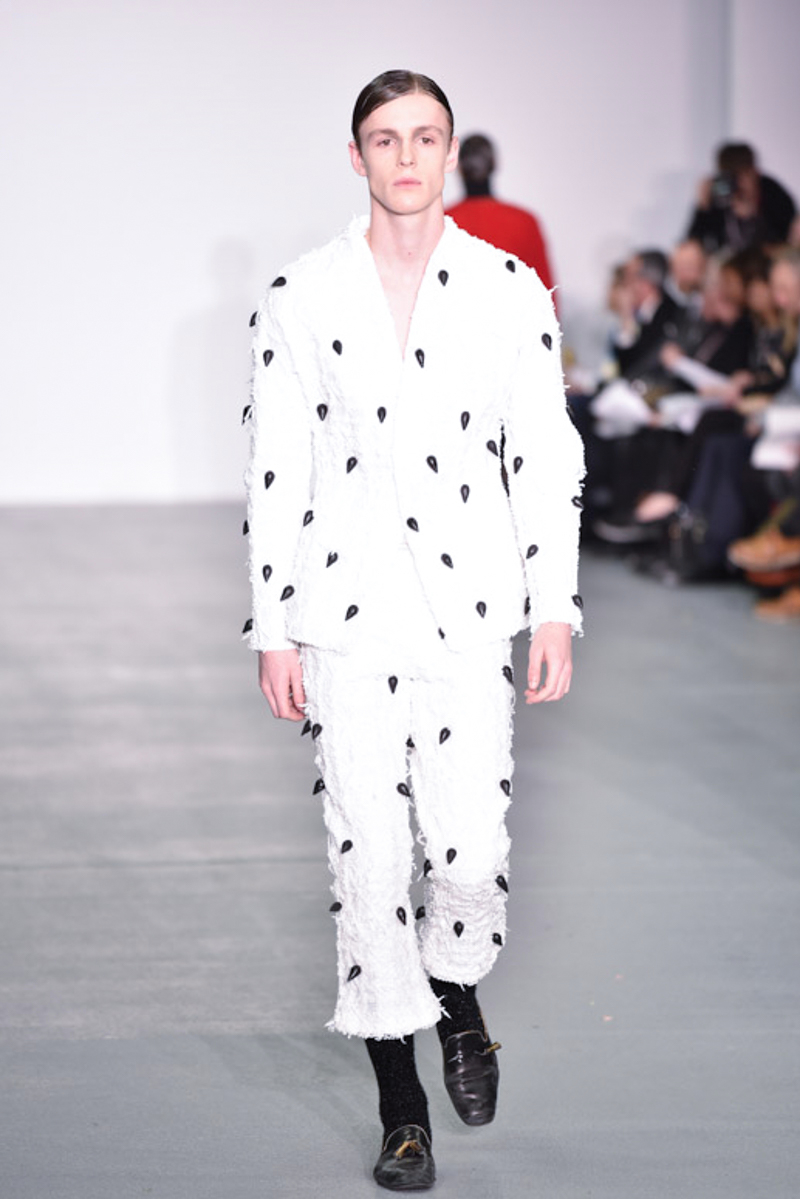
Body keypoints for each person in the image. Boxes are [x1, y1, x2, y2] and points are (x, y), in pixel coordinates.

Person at [243, 69, 584, 1191]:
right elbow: (276, 465)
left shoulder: (506, 288)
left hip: (467, 608)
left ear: (449, 151)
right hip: (341, 610)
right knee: (370, 858)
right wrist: (272, 626)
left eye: (424, 137)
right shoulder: (302, 293)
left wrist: (553, 603)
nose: (405, 157)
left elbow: (543, 450)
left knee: (469, 854)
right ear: (356, 156)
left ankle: (458, 998)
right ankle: (402, 1112)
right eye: (384, 139)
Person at [445, 132, 555, 292]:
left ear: (459, 168)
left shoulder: (439, 223)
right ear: (494, 165)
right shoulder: (524, 222)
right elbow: (546, 293)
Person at [687, 142, 797, 254]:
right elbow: (693, 241)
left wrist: (753, 217)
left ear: (754, 172)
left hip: (765, 259)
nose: (737, 185)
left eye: (742, 176)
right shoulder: (720, 193)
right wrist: (702, 208)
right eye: (731, 177)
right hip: (726, 260)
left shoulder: (773, 193)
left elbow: (787, 241)